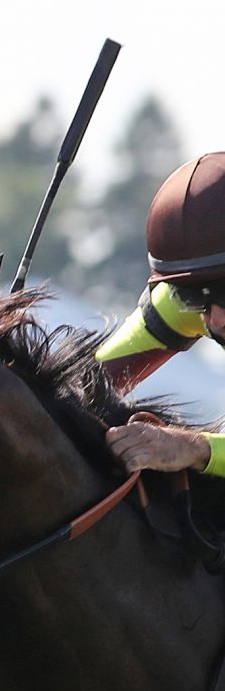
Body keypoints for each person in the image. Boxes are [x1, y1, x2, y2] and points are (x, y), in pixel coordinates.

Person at [98, 153, 225, 476]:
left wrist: (193, 447)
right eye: (194, 298)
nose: (215, 321)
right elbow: (87, 383)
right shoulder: (191, 296)